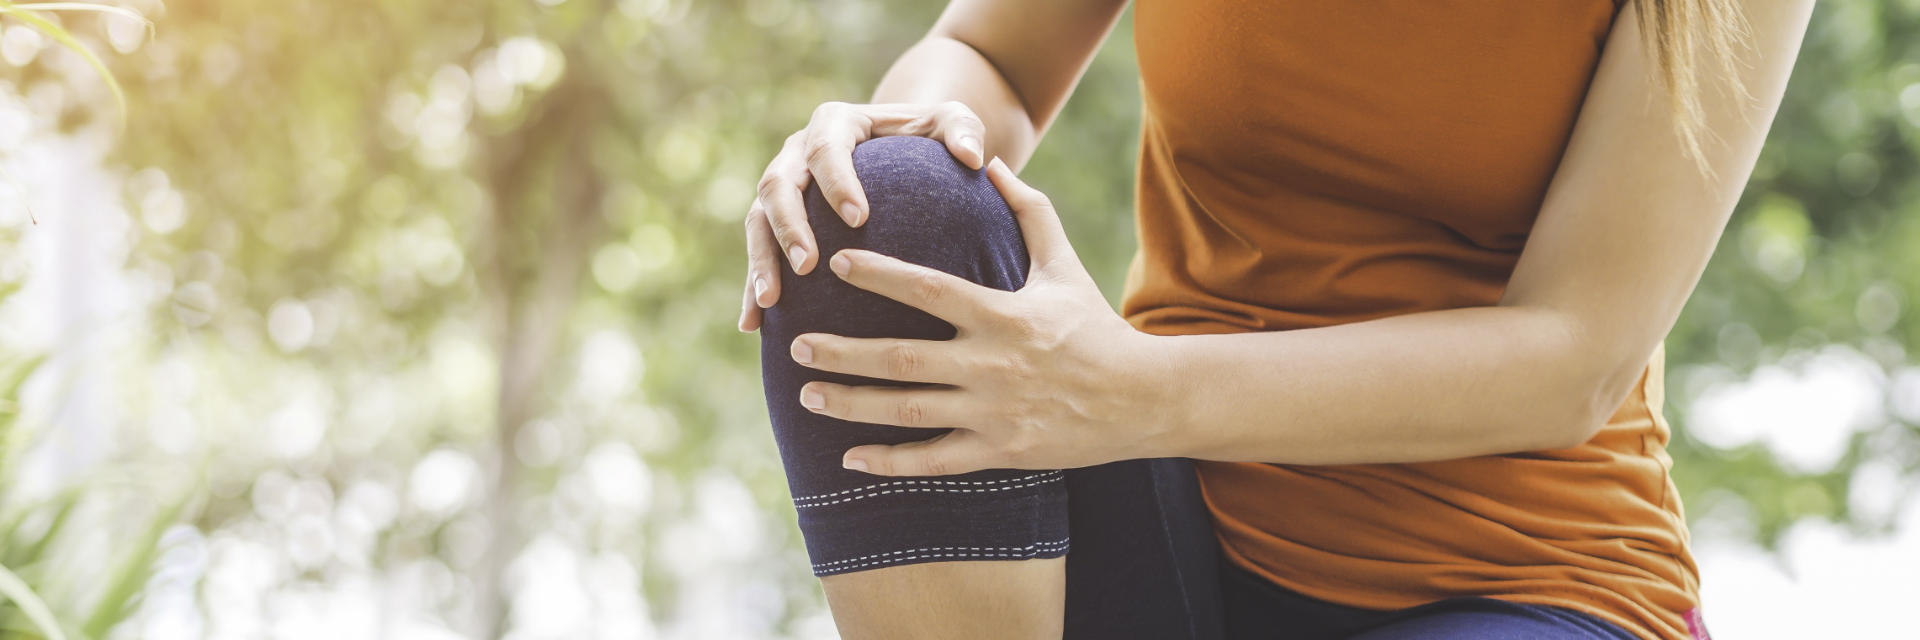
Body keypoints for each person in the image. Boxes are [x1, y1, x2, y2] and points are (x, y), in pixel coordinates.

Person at [738, 2, 1814, 639]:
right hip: (1172, 494)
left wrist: (1133, 394)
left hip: (1516, 565)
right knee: (881, 203)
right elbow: (993, 56)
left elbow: (1572, 354)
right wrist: (896, 129)